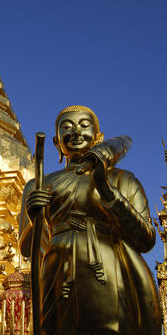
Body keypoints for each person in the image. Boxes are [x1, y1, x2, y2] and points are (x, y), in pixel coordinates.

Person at [19, 105, 161, 335]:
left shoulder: (122, 179)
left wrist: (106, 190)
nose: (75, 132)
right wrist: (34, 216)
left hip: (107, 270)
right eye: (67, 127)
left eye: (84, 126)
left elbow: (146, 239)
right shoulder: (37, 185)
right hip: (56, 270)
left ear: (99, 136)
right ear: (56, 142)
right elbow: (27, 249)